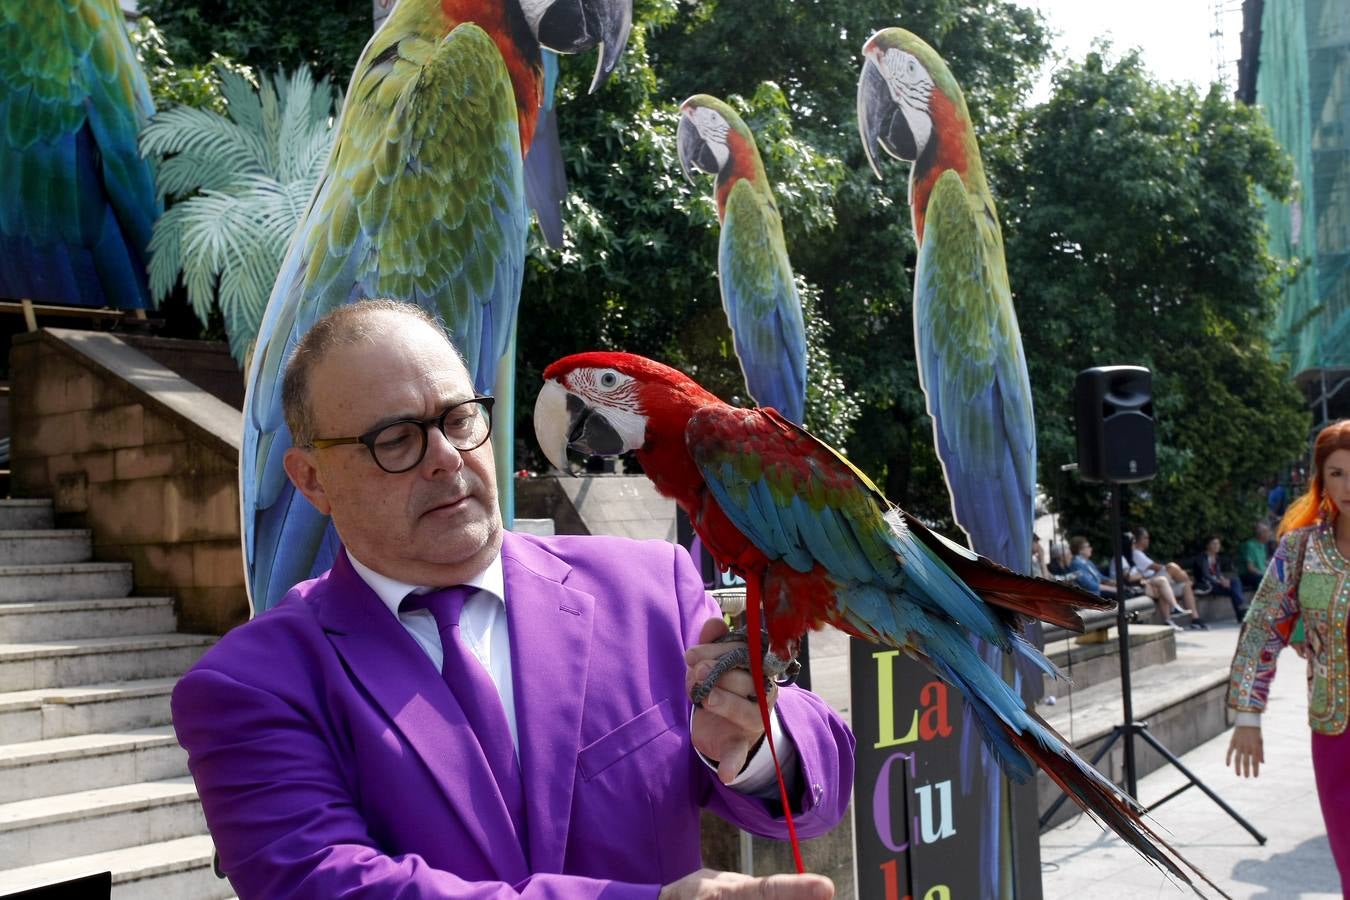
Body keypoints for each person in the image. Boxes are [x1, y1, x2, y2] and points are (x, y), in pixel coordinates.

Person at [170, 300, 853, 899]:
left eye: (459, 418)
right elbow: (324, 885)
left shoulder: (649, 586)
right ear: (312, 479)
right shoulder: (248, 686)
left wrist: (761, 747)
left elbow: (823, 765)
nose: (445, 456)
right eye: (397, 439)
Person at [1227, 420, 1350, 888]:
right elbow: (1261, 631)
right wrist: (1248, 717)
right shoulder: (1299, 551)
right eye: (1336, 473)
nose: (1348, 486)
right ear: (1321, 478)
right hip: (1338, 737)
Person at [1130, 527, 1200, 616]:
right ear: (1138, 539)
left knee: (1185, 585)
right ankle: (1190, 583)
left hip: (1156, 580)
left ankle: (1195, 619)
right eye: (1146, 538)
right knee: (1172, 567)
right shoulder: (1136, 553)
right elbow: (1158, 568)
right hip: (1150, 581)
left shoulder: (1140, 553)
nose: (1148, 540)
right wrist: (1179, 572)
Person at [1192, 536, 1248, 622]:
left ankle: (1242, 614)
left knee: (1234, 583)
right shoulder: (1202, 557)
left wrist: (1223, 580)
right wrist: (1219, 582)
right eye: (1214, 544)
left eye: (1218, 544)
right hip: (1206, 585)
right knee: (1233, 589)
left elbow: (1217, 573)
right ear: (1207, 545)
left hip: (1215, 584)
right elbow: (1206, 575)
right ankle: (1242, 611)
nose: (1217, 546)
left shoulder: (1216, 558)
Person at [1239, 520, 1272, 593]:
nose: (1270, 534)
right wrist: (1264, 574)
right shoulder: (1250, 545)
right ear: (1261, 534)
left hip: (1260, 574)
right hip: (1249, 576)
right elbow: (1250, 568)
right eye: (1267, 532)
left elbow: (1263, 562)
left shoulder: (1262, 545)